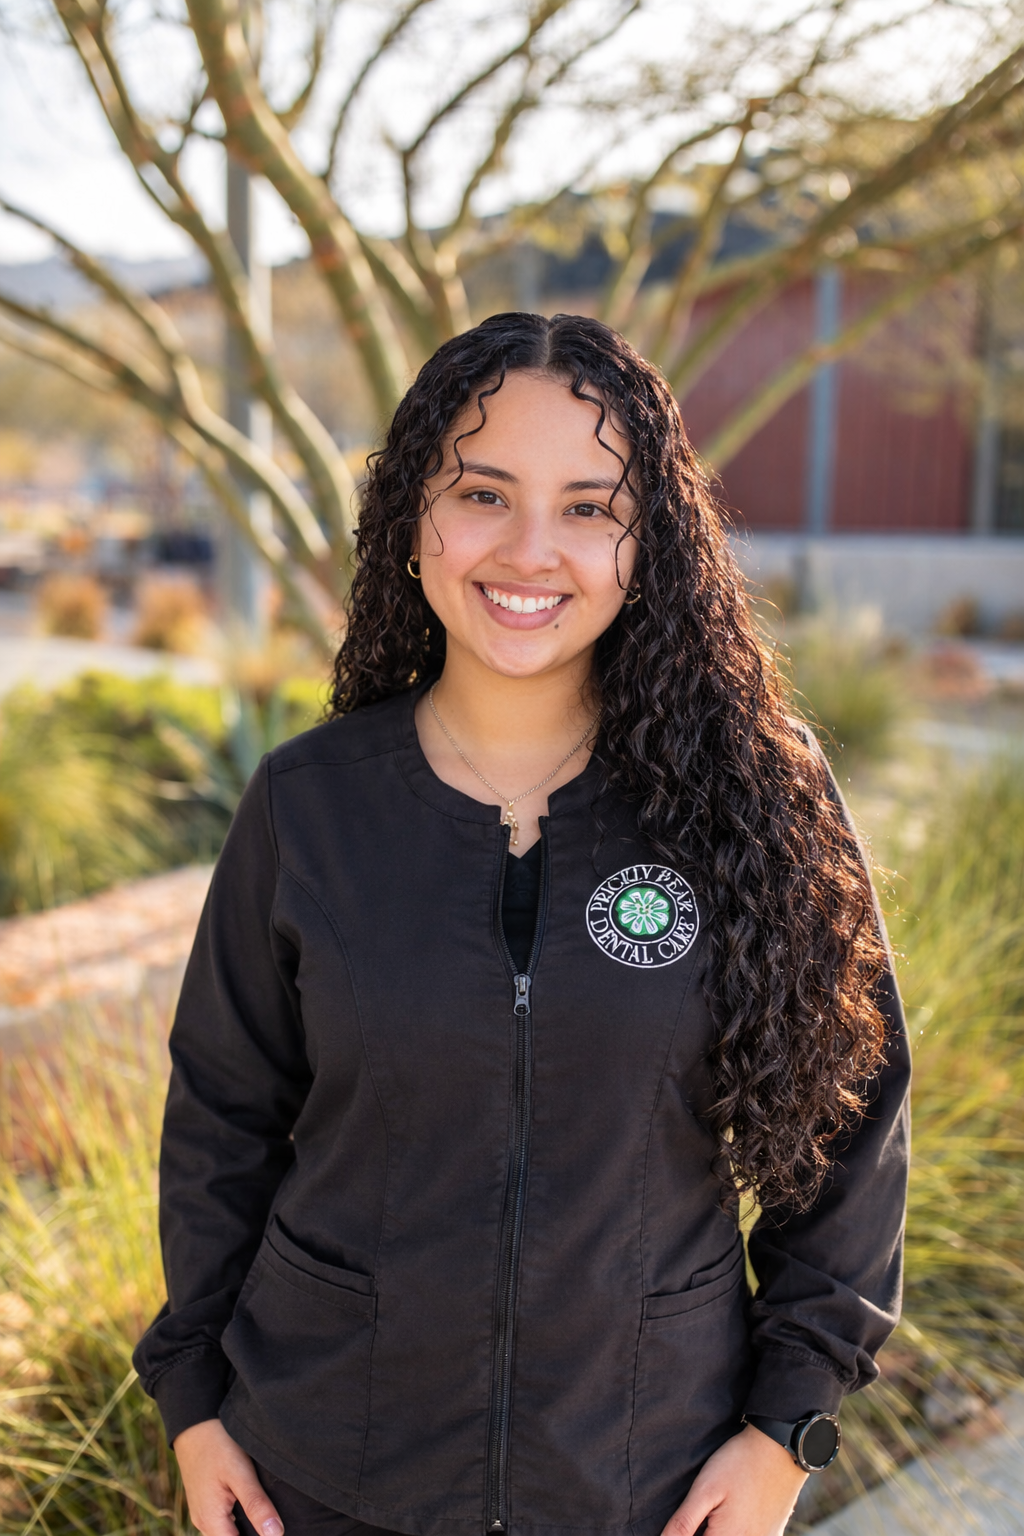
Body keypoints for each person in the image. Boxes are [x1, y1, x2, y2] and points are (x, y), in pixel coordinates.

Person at [134, 313, 910, 1536]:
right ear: (413, 519)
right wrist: (193, 1405)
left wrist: (783, 1432)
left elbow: (848, 1125)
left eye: (590, 507)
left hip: (647, 1485)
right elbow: (220, 1122)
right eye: (484, 492)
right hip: (326, 1476)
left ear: (648, 542)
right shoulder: (310, 803)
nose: (531, 549)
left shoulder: (756, 798)